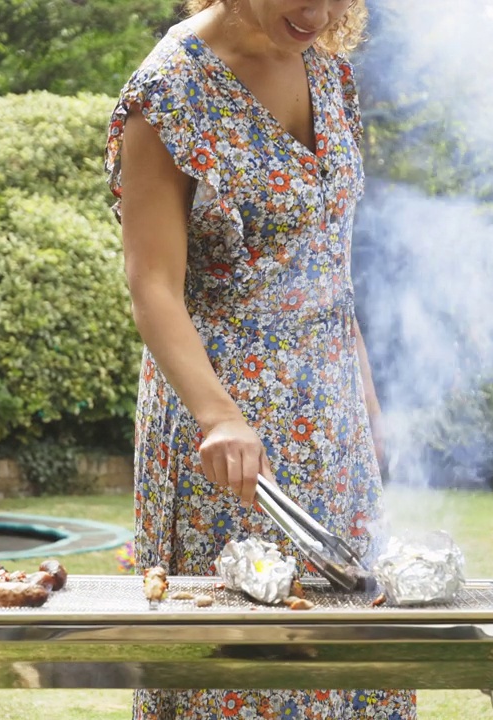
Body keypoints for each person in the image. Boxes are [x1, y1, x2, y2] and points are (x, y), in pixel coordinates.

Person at [105, 1, 412, 717]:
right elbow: (151, 284)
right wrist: (218, 416)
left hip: (330, 416)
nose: (322, 12)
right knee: (243, 669)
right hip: (231, 428)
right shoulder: (171, 90)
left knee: (352, 649)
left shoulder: (328, 63)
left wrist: (364, 400)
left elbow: (330, 264)